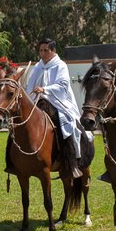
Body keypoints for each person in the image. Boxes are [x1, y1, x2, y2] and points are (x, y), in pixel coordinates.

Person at [25, 37, 93, 179]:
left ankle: (71, 162)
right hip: (38, 102)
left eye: (46, 50)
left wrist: (44, 89)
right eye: (40, 51)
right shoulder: (38, 66)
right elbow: (29, 85)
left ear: (53, 51)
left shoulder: (60, 65)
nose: (42, 54)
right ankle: (15, 161)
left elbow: (62, 85)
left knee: (65, 125)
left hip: (58, 103)